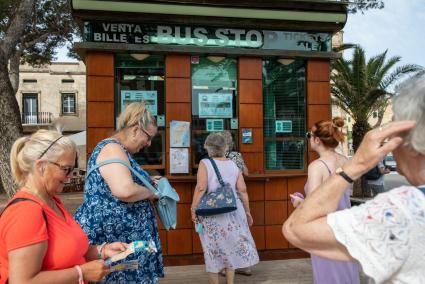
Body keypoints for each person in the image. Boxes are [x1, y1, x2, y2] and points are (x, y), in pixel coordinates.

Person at [283, 75, 425, 283]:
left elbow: (297, 229)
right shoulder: (342, 159)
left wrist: (357, 164)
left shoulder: (404, 209)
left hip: (333, 232)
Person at [0, 129, 127, 284]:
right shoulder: (26, 212)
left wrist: (102, 251)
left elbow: (68, 251)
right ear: (41, 166)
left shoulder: (52, 201)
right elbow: (22, 281)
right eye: (66, 169)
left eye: (72, 170)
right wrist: (82, 273)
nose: (69, 177)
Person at [75, 102, 164, 283]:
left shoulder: (119, 151)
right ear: (135, 130)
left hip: (121, 240)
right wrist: (151, 191)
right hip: (116, 240)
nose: (148, 143)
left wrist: (146, 181)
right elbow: (125, 190)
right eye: (148, 137)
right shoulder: (113, 148)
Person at [291, 117, 360, 284]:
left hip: (325, 230)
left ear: (316, 140)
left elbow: (314, 205)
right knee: (346, 274)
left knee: (327, 276)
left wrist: (299, 202)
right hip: (346, 227)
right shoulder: (345, 161)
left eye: (309, 135)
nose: (308, 139)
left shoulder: (317, 166)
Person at [191, 133, 259, 284]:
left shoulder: (205, 163)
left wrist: (193, 208)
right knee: (231, 247)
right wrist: (247, 211)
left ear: (208, 147)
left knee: (212, 251)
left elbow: (201, 188)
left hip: (212, 213)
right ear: (225, 147)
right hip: (234, 210)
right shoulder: (234, 164)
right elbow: (242, 190)